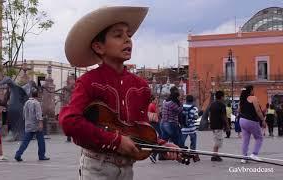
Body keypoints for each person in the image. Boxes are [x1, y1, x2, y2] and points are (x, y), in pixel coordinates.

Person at [59, 6, 180, 180]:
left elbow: (137, 129)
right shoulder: (88, 81)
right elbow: (69, 122)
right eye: (118, 35)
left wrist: (163, 145)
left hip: (127, 169)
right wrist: (115, 141)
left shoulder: (141, 86)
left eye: (129, 35)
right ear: (99, 47)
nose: (127, 40)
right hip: (96, 168)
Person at [14, 91, 49, 161]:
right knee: (41, 140)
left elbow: (24, 114)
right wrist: (40, 123)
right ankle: (41, 155)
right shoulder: (36, 103)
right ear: (37, 95)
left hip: (28, 124)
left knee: (25, 141)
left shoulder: (26, 102)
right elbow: (38, 114)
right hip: (36, 125)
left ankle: (18, 154)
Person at [238, 85, 266, 163]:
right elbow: (258, 110)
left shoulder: (242, 100)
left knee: (245, 140)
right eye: (253, 90)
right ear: (250, 90)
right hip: (252, 121)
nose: (254, 91)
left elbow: (238, 110)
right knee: (259, 138)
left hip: (242, 120)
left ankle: (244, 157)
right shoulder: (253, 98)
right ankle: (254, 154)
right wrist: (263, 120)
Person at [209, 91, 230, 161]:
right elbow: (224, 116)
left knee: (217, 140)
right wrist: (227, 126)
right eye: (223, 96)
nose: (224, 98)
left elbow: (210, 114)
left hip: (213, 125)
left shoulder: (212, 104)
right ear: (221, 97)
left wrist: (210, 123)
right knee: (218, 141)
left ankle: (216, 154)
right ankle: (214, 155)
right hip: (218, 125)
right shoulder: (222, 105)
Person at [181, 95, 200, 161]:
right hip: (192, 128)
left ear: (186, 100)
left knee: (182, 142)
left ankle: (182, 153)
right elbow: (196, 117)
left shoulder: (182, 107)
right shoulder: (194, 108)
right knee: (193, 141)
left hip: (183, 128)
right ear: (192, 101)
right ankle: (193, 153)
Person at [148, 95, 160, 163]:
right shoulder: (153, 105)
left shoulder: (150, 105)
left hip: (151, 122)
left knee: (157, 138)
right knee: (160, 138)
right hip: (155, 122)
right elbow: (157, 113)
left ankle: (154, 154)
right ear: (152, 100)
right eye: (155, 100)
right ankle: (153, 154)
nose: (157, 101)